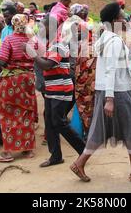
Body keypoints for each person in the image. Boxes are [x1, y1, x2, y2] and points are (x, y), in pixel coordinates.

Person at [69, 2, 131, 183]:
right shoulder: (114, 41)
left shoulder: (105, 38)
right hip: (117, 91)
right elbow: (110, 69)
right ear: (115, 20)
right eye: (122, 16)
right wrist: (110, 99)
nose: (125, 18)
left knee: (100, 130)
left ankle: (79, 163)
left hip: (108, 89)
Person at [29, 16, 85, 168]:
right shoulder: (51, 44)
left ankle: (83, 149)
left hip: (61, 89)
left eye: (42, 27)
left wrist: (33, 55)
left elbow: (47, 65)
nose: (40, 30)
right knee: (50, 121)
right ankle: (56, 156)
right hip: (52, 89)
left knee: (59, 122)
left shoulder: (58, 44)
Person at [0, 14, 37, 163]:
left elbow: (2, 60)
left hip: (13, 81)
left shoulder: (9, 39)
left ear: (12, 25)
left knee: (8, 115)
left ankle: (8, 152)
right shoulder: (32, 40)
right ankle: (28, 149)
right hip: (29, 80)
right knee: (26, 112)